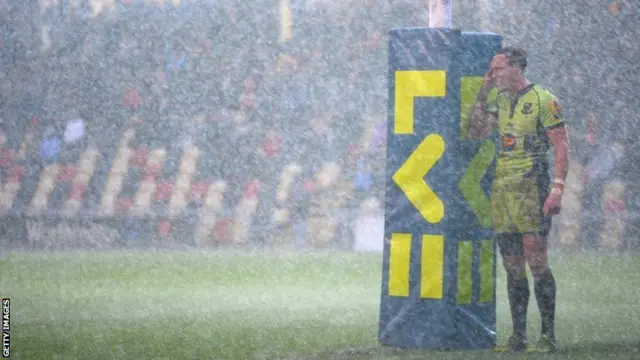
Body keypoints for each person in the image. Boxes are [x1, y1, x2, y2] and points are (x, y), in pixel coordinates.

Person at [468, 46, 570, 353]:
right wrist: (483, 89)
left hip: (532, 184)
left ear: (516, 68)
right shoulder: (499, 99)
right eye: (492, 70)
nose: (493, 74)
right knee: (512, 265)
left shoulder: (543, 99)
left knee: (536, 262)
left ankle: (548, 336)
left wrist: (557, 189)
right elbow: (475, 131)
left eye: (497, 69)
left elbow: (562, 147)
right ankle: (518, 337)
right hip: (503, 189)